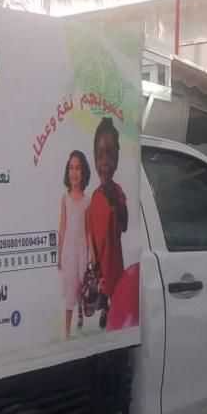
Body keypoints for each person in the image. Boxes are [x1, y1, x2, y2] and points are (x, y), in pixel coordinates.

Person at [87, 117, 127, 330]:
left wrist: (116, 204)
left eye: (110, 154)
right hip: (100, 261)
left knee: (116, 289)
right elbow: (91, 233)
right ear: (94, 159)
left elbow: (124, 224)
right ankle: (104, 309)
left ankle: (111, 311)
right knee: (104, 290)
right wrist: (94, 260)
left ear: (117, 158)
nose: (105, 161)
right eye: (100, 154)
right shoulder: (94, 198)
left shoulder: (118, 192)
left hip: (115, 259)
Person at [58, 150, 91, 339]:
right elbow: (62, 227)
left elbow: (88, 231)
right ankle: (67, 331)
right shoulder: (65, 198)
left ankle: (81, 314)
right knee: (71, 288)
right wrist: (59, 253)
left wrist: (91, 254)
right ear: (67, 171)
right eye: (71, 168)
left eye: (78, 168)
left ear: (83, 172)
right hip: (69, 251)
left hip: (82, 251)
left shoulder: (87, 200)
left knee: (81, 285)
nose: (74, 172)